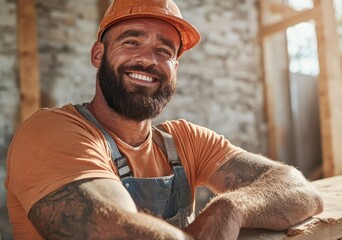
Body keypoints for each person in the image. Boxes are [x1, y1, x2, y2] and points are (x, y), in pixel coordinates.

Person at [5, 0, 323, 239]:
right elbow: (115, 229)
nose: (147, 59)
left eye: (164, 50)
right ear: (98, 55)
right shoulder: (51, 132)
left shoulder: (184, 141)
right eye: (132, 41)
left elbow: (298, 189)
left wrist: (230, 208)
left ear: (175, 68)